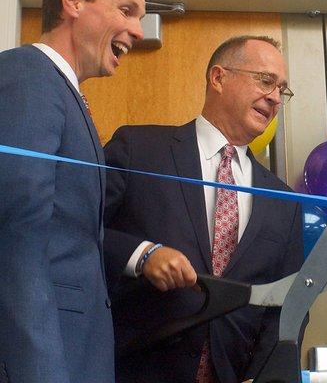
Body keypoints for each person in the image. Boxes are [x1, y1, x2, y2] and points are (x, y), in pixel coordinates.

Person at [103, 35, 304, 383]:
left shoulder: (283, 202)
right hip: (130, 369)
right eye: (265, 80)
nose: (274, 97)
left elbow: (287, 305)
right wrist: (142, 255)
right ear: (219, 77)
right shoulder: (139, 149)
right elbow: (74, 230)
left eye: (281, 90)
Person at [0, 0, 148, 381]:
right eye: (127, 10)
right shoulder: (28, 76)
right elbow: (18, 240)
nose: (138, 30)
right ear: (73, 1)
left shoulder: (60, 89)